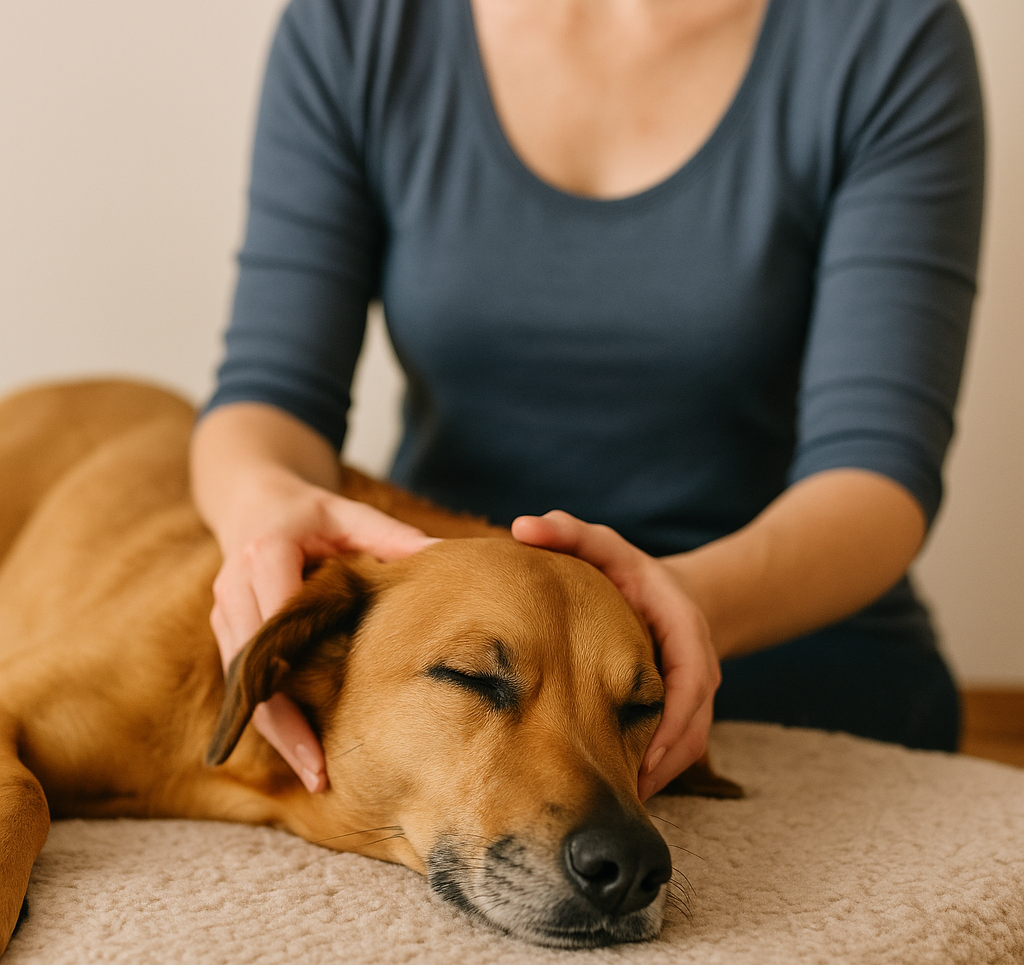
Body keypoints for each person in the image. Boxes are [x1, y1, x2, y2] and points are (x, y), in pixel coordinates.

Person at [190, 0, 985, 800]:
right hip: (459, 661)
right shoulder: (359, 25)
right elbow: (272, 394)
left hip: (772, 649)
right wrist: (262, 507)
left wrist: (680, 608)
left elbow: (876, 471)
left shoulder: (886, 32)